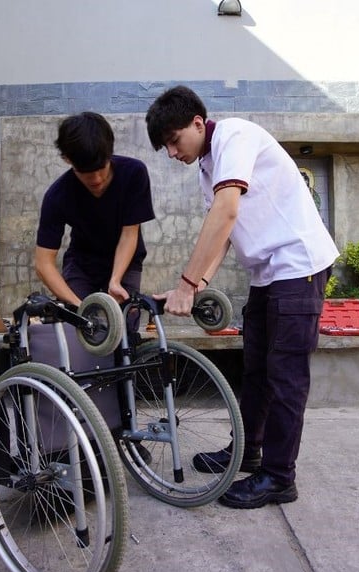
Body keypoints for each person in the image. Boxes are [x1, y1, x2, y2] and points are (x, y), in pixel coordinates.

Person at [145, 86, 339, 509]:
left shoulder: (235, 136)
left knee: (285, 376)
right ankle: (249, 452)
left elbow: (226, 212)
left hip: (299, 265)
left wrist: (186, 284)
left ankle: (279, 477)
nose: (172, 153)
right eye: (166, 148)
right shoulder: (207, 166)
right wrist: (195, 285)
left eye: (174, 141)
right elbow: (225, 234)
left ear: (198, 123)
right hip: (268, 273)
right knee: (255, 370)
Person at [35, 112, 155, 316]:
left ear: (109, 153)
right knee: (80, 325)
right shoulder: (57, 196)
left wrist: (115, 280)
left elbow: (129, 234)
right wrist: (79, 308)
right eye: (86, 172)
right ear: (67, 159)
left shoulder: (133, 173)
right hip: (82, 264)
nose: (97, 179)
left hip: (126, 261)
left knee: (124, 323)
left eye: (101, 168)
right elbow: (43, 263)